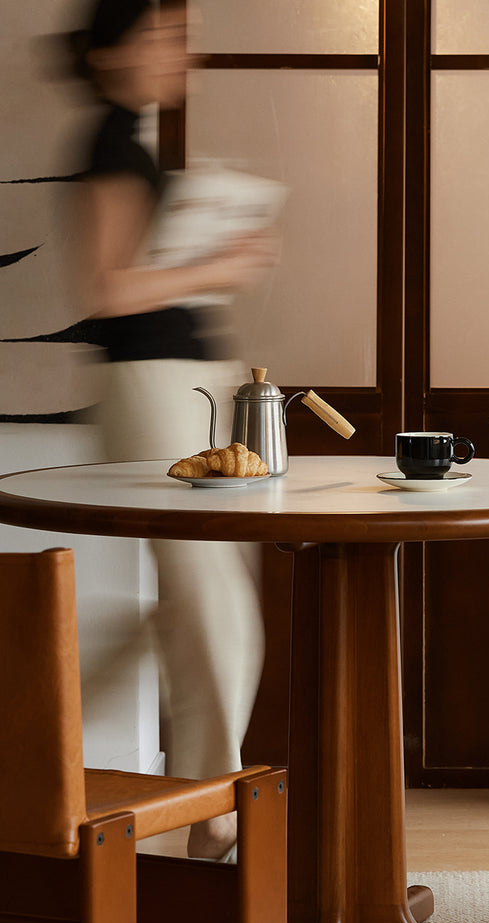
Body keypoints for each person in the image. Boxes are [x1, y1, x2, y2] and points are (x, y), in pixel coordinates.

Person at [64, 0, 275, 860]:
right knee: (216, 608)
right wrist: (215, 264)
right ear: (110, 54)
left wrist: (210, 261)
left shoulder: (133, 143)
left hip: (178, 387)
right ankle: (213, 811)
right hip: (151, 390)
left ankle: (196, 809)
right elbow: (107, 288)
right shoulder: (111, 143)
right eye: (160, 36)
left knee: (201, 606)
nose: (180, 52)